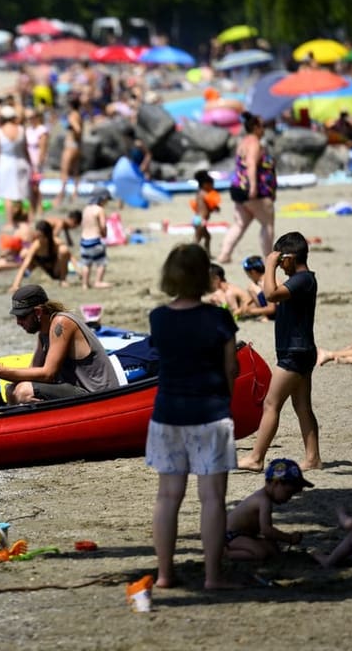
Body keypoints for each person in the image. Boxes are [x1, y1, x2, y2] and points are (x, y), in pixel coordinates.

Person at [146, 243, 239, 589]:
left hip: (168, 413)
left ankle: (165, 575)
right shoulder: (219, 318)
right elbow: (231, 368)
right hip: (210, 412)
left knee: (168, 497)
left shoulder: (158, 318)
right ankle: (213, 576)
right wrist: (225, 400)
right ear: (204, 276)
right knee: (213, 498)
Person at [238, 232, 320, 472]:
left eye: (281, 259)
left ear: (290, 258)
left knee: (271, 404)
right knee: (302, 406)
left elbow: (271, 295)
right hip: (299, 350)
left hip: (295, 353)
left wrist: (269, 266)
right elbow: (272, 295)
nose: (280, 265)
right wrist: (273, 267)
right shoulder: (300, 280)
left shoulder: (303, 279)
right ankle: (313, 458)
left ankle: (255, 458)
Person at [0, 284, 120, 402]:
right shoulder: (43, 334)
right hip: (76, 391)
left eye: (22, 317)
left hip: (98, 396)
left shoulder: (62, 323)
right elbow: (33, 371)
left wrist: (0, 372)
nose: (18, 322)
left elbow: (48, 374)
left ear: (38, 312)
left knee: (23, 391)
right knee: (11, 389)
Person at [225, 458, 312, 562]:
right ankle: (225, 553)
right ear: (276, 483)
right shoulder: (263, 501)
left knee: (272, 550)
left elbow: (268, 533)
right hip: (229, 536)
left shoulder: (265, 499)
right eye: (289, 492)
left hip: (244, 536)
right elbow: (266, 531)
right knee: (260, 553)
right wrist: (289, 538)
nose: (289, 497)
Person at [217, 112, 276, 263]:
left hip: (237, 188)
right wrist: (254, 188)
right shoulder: (255, 143)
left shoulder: (243, 142)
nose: (264, 129)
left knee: (239, 224)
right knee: (267, 223)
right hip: (252, 190)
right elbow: (251, 164)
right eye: (263, 126)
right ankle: (269, 258)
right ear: (255, 127)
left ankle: (224, 254)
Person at [0, 105, 32, 228]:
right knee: (21, 192)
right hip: (21, 162)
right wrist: (31, 164)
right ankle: (24, 218)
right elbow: (26, 150)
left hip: (5, 162)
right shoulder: (21, 130)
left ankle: (10, 222)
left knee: (7, 194)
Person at [8, 219, 72, 290]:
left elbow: (71, 257)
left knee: (64, 249)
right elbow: (24, 265)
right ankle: (35, 277)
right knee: (24, 253)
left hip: (55, 271)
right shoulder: (36, 245)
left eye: (39, 236)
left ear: (46, 236)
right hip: (42, 271)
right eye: (36, 235)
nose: (37, 238)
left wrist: (79, 271)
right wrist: (15, 285)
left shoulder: (56, 242)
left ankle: (63, 280)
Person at [78, 189, 111, 290]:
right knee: (102, 262)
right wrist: (104, 234)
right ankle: (98, 281)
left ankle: (85, 283)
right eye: (107, 200)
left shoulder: (86, 209)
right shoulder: (99, 210)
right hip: (95, 240)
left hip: (84, 241)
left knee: (86, 263)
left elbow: (83, 224)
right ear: (102, 199)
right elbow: (103, 225)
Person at [54, 96, 84, 207]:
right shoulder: (79, 115)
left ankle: (60, 196)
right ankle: (75, 195)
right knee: (75, 172)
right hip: (77, 146)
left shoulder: (72, 115)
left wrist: (71, 127)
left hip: (70, 146)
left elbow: (77, 129)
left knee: (64, 172)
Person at [191, 171, 220, 256]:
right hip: (201, 220)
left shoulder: (199, 193)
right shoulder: (205, 194)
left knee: (207, 237)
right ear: (205, 185)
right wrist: (216, 208)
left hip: (196, 219)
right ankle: (192, 254)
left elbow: (203, 206)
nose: (213, 187)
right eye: (212, 185)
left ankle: (207, 254)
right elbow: (210, 204)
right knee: (197, 238)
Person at [240, 255, 276, 321]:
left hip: (278, 314)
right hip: (284, 310)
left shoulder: (264, 283)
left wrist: (251, 311)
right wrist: (246, 304)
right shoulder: (271, 278)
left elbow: (272, 308)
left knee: (251, 288)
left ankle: (265, 316)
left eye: (247, 274)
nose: (248, 277)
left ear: (253, 272)